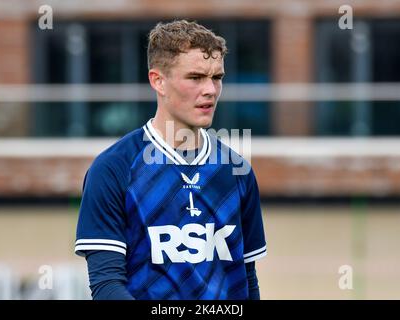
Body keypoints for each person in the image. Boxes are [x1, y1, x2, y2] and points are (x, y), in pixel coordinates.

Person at [75, 19, 267, 300]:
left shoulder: (237, 170)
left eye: (217, 77)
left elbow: (246, 279)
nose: (211, 90)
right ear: (158, 81)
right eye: (195, 77)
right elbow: (107, 286)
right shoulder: (113, 168)